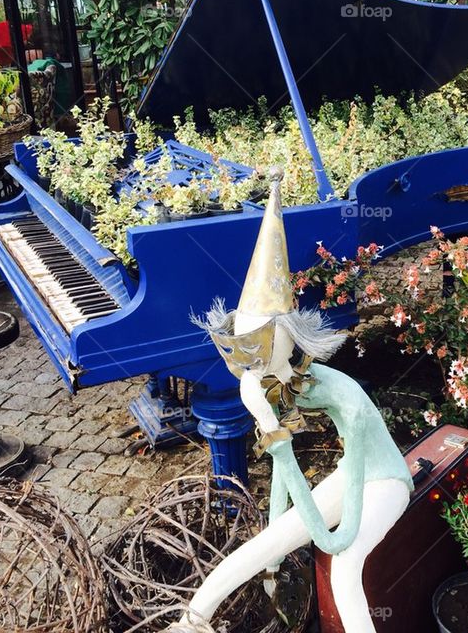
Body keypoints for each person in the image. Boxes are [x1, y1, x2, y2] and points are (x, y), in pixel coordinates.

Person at [170, 169, 412, 633]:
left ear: (285, 343)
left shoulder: (345, 396)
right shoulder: (259, 383)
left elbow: (331, 535)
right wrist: (274, 547)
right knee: (263, 546)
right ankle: (190, 621)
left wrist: (277, 440)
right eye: (244, 356)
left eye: (258, 354)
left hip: (382, 481)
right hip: (350, 476)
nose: (251, 370)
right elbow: (283, 487)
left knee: (346, 569)